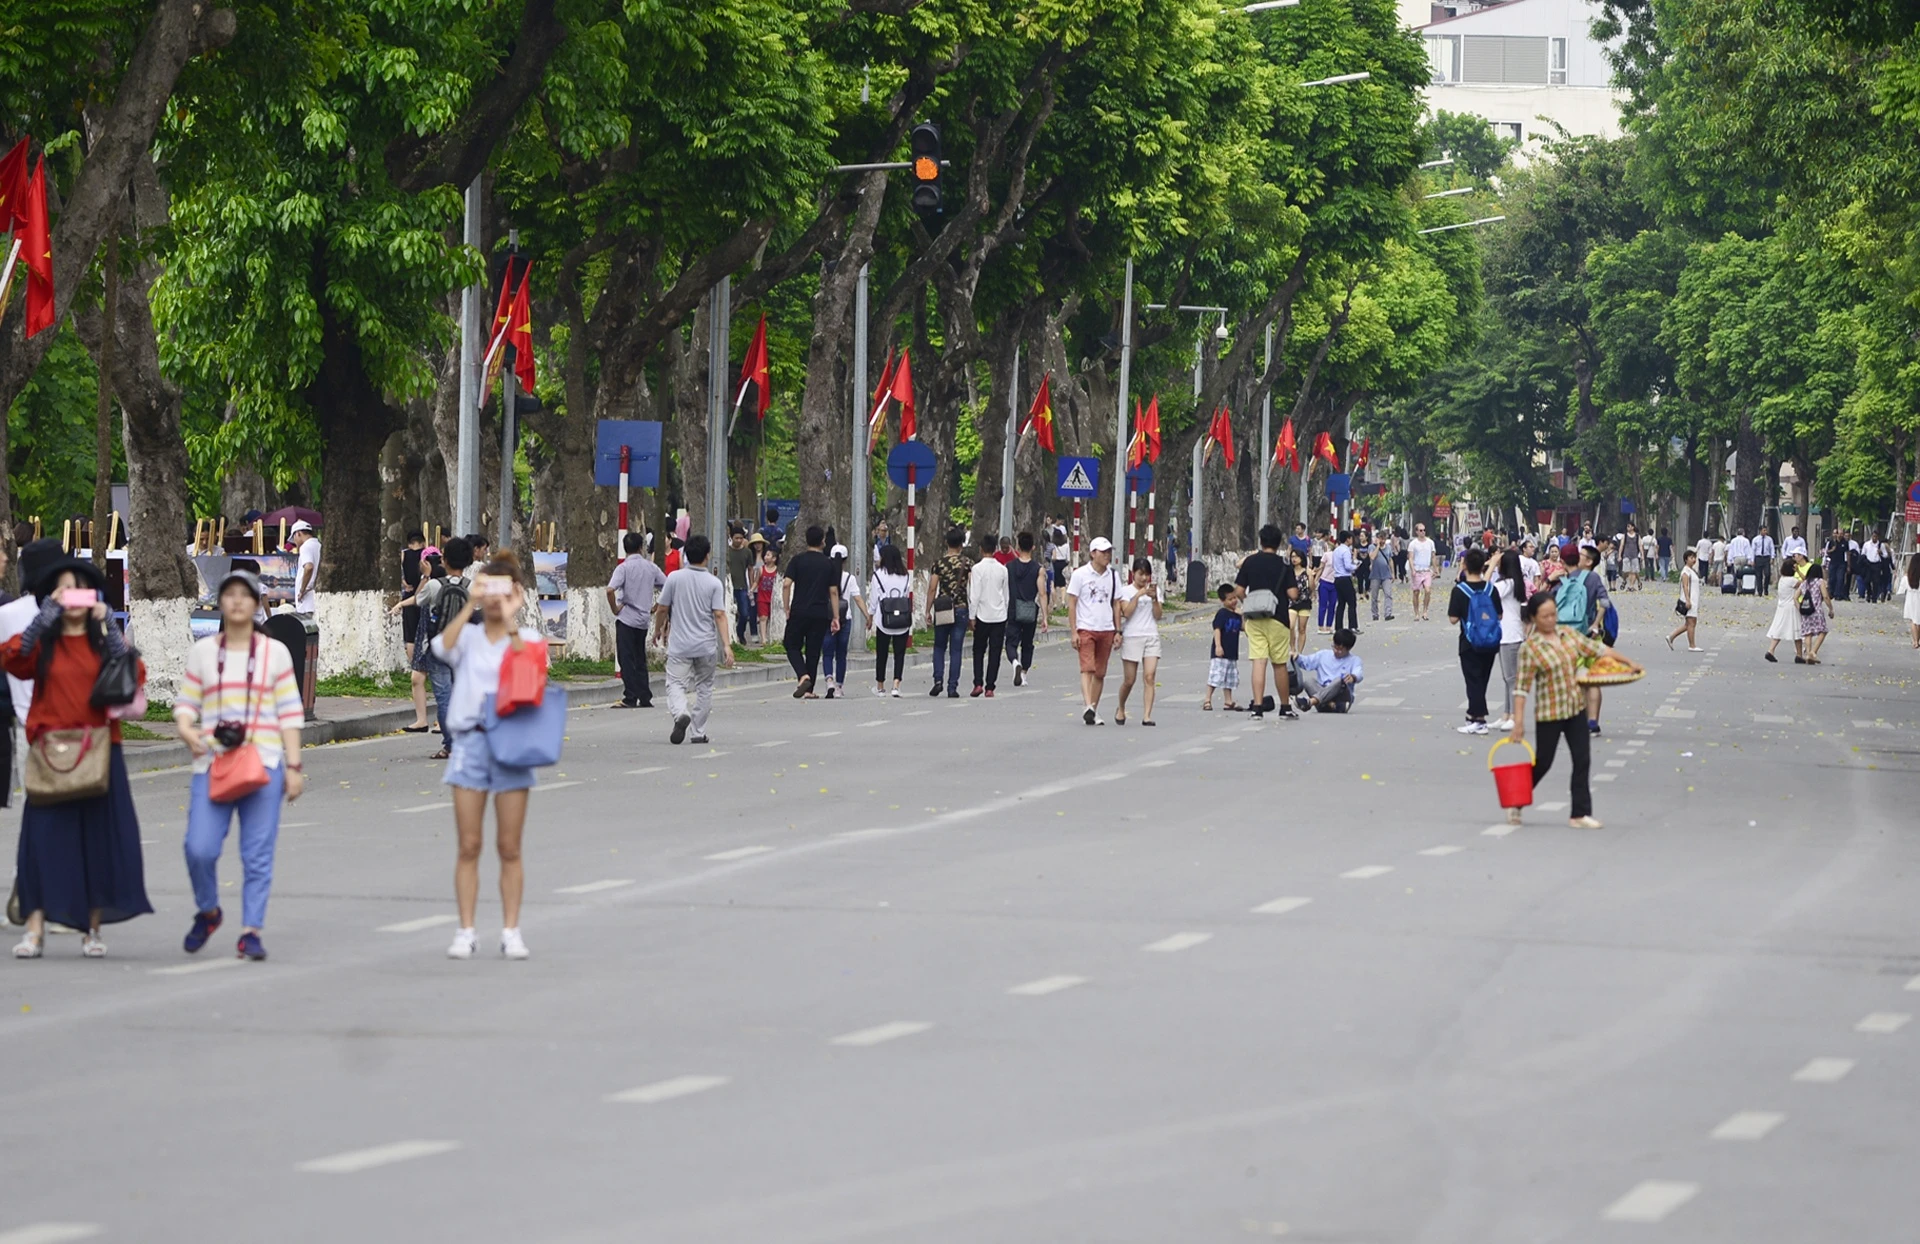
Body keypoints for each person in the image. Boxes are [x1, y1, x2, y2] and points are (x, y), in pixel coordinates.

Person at [5, 553, 151, 958]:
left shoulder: (102, 643)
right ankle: (34, 931)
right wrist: (43, 618)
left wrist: (109, 624)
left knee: (96, 842)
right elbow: (11, 658)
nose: (71, 599)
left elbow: (134, 674)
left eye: (79, 591)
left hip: (101, 752)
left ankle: (92, 930)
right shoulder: (43, 647)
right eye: (62, 591)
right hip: (51, 755)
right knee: (40, 843)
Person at [173, 570, 306, 962]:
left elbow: (290, 713)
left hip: (263, 762)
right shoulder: (202, 652)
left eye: (244, 595)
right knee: (199, 848)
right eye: (228, 594)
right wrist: (186, 730)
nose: (236, 601)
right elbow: (186, 704)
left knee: (257, 853)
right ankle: (209, 910)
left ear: (256, 603)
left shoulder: (275, 653)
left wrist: (294, 766)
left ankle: (251, 931)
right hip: (212, 761)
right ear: (220, 602)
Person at [431, 552, 542, 961]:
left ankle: (511, 929)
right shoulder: (470, 637)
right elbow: (441, 649)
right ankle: (466, 929)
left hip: (512, 744)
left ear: (517, 593)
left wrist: (511, 619)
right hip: (470, 744)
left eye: (503, 588)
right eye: (488, 586)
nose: (495, 596)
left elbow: (530, 676)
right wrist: (471, 604)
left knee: (509, 846)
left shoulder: (527, 640)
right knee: (469, 844)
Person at [1505, 590, 1640, 830]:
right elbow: (1521, 689)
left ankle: (1580, 813)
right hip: (1550, 712)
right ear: (1534, 618)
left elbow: (1600, 650)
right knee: (1543, 763)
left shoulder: (1568, 635)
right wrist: (1518, 721)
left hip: (1575, 707)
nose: (1551, 620)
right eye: (1545, 616)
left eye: (1553, 614)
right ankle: (1516, 801)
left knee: (1582, 759)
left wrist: (1627, 662)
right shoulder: (1530, 649)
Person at [651, 534, 735, 745]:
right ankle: (698, 732)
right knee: (705, 687)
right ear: (707, 556)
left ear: (685, 554)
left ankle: (680, 713)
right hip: (706, 646)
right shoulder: (714, 583)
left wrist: (657, 629)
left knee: (675, 685)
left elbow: (662, 608)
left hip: (680, 645)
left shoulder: (674, 578)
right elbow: (719, 615)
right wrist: (726, 645)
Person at [413, 537, 474, 759]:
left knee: (444, 696)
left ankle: (450, 745)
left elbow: (418, 601)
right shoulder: (472, 586)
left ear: (444, 560)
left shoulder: (434, 585)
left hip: (438, 647)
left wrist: (426, 575)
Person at [1234, 524, 1301, 721]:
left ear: (1261, 542)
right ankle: (1285, 707)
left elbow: (1238, 590)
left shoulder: (1250, 563)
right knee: (1280, 664)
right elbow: (1293, 594)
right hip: (1278, 619)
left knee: (1259, 662)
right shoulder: (1284, 565)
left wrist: (1249, 603)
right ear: (1279, 543)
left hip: (1254, 619)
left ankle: (1257, 707)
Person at [605, 532, 666, 709]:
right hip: (643, 620)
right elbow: (667, 584)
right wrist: (657, 605)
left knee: (626, 659)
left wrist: (615, 609)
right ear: (641, 547)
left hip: (626, 619)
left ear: (625, 549)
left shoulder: (623, 568)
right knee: (640, 658)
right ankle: (645, 696)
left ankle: (630, 696)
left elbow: (610, 590)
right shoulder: (651, 567)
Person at [780, 526, 841, 699]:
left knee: (791, 645)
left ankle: (802, 675)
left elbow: (786, 584)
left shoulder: (797, 561)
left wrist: (786, 607)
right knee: (813, 651)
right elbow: (834, 592)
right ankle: (809, 690)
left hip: (799, 610)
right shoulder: (828, 564)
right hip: (820, 613)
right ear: (822, 541)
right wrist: (836, 616)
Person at [1067, 536, 1121, 725]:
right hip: (1086, 627)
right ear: (1092, 553)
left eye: (1108, 552)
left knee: (1100, 672)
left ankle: (1093, 709)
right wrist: (1074, 631)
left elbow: (1116, 604)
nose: (1106, 556)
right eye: (1103, 552)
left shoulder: (1113, 576)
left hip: (1106, 628)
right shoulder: (1080, 574)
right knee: (1087, 668)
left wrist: (1118, 631)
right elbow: (1072, 604)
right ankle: (1088, 705)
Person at [387, 549, 441, 732]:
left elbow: (419, 598)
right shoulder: (429, 582)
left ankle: (442, 721)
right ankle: (421, 720)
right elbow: (420, 597)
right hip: (425, 632)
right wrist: (425, 577)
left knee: (440, 679)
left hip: (440, 634)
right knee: (417, 677)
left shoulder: (443, 581)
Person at [1448, 548, 1500, 735]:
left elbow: (1453, 618)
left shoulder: (1460, 591)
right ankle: (1472, 714)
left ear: (1465, 566)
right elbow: (1499, 615)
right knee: (1482, 680)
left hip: (1469, 642)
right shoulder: (1490, 589)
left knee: (1473, 681)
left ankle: (1479, 720)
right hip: (1491, 640)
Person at [1113, 557, 1163, 726]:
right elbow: (1126, 612)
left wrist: (1154, 598)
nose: (1143, 578)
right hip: (1132, 636)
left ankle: (1147, 716)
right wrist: (1139, 595)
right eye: (1141, 574)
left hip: (1151, 636)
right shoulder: (1125, 591)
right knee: (1129, 680)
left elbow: (1158, 615)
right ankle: (1121, 707)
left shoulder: (1154, 591)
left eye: (1146, 574)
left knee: (1149, 676)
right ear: (1133, 573)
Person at [929, 529, 972, 699]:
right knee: (956, 650)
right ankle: (952, 687)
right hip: (961, 608)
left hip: (943, 609)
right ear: (962, 544)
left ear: (946, 542)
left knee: (939, 646)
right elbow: (972, 589)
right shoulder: (968, 563)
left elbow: (932, 588)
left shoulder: (939, 563)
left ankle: (938, 680)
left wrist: (927, 609)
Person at [821, 544, 869, 698]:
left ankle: (829, 679)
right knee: (841, 654)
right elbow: (857, 599)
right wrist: (867, 616)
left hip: (828, 618)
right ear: (845, 560)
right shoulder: (850, 578)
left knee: (827, 652)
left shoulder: (825, 575)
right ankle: (839, 686)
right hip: (845, 619)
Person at [967, 534, 1010, 697]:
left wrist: (972, 617)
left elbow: (974, 595)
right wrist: (1005, 612)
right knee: (995, 651)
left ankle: (978, 683)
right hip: (999, 616)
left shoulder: (977, 569)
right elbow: (1006, 595)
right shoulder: (1003, 569)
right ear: (995, 549)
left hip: (982, 615)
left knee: (978, 650)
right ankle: (990, 686)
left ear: (981, 549)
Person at [1489, 547, 1527, 731]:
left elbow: (1485, 588)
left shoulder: (1507, 584)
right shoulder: (1513, 582)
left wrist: (1492, 565)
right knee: (1508, 678)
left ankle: (1514, 715)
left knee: (1511, 678)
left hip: (1510, 635)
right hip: (1509, 633)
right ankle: (1506, 714)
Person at [869, 542, 913, 697]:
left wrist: (870, 616)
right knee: (899, 653)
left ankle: (880, 686)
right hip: (902, 619)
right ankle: (896, 684)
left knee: (882, 653)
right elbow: (907, 595)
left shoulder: (878, 575)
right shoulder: (905, 575)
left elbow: (874, 599)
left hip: (884, 620)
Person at [1006, 531, 1047, 685]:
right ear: (1033, 547)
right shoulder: (1038, 569)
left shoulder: (1008, 567)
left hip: (1013, 609)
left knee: (1011, 642)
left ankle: (1015, 662)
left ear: (1017, 547)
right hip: (1030, 609)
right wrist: (1045, 617)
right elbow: (1042, 594)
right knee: (1027, 643)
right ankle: (1023, 673)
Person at [1294, 629, 1363, 713]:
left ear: (1348, 649)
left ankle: (1310, 702)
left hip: (1341, 695)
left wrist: (1353, 677)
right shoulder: (1323, 655)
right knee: (1309, 681)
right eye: (1335, 647)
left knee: (1339, 680)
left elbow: (1359, 673)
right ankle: (1331, 704)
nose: (1336, 651)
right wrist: (1297, 657)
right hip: (1323, 691)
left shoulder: (1354, 660)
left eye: (1340, 649)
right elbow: (1307, 662)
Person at [1205, 584, 1243, 712]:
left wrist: (1242, 615)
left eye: (1234, 598)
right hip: (1221, 651)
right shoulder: (1222, 613)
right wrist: (1218, 646)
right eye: (1230, 599)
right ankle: (1207, 699)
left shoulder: (1236, 614)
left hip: (1232, 651)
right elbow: (1217, 630)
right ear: (1223, 601)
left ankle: (1228, 701)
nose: (1233, 601)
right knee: (1216, 676)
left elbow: (1243, 627)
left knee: (1229, 678)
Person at [1764, 560, 1804, 663]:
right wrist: (1799, 572)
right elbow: (1805, 582)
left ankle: (1771, 650)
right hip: (1791, 607)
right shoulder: (1792, 580)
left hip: (1782, 606)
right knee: (1797, 630)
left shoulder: (1782, 579)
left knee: (1779, 628)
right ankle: (1799, 654)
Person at [1667, 548, 1702, 651]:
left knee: (1689, 623)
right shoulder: (1686, 572)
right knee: (1691, 622)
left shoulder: (1691, 571)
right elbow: (1685, 586)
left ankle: (1671, 637)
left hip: (1694, 599)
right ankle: (1692, 645)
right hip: (1689, 600)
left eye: (1694, 557)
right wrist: (1687, 600)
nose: (1693, 559)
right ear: (1686, 559)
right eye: (1691, 558)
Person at [725, 528, 756, 646]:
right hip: (729, 586)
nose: (738, 541)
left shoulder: (747, 552)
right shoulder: (727, 551)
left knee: (744, 613)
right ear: (731, 538)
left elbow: (750, 569)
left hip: (742, 586)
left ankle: (740, 632)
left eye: (741, 538)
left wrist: (752, 585)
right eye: (736, 538)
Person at [1800, 558, 1831, 663]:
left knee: (1808, 633)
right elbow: (1825, 596)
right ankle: (1813, 652)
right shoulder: (1820, 582)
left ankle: (1808, 653)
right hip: (1816, 610)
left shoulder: (1804, 583)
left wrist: (1799, 607)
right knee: (1823, 631)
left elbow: (1795, 597)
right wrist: (1831, 609)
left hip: (1805, 610)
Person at [401, 530, 426, 658]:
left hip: (409, 595)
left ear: (409, 543)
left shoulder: (404, 555)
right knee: (424, 631)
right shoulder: (426, 555)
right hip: (425, 595)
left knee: (410, 634)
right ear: (423, 542)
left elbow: (396, 572)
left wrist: (404, 583)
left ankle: (412, 663)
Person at [1329, 529, 1359, 633]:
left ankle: (1338, 627)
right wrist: (1355, 566)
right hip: (1345, 578)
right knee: (1352, 602)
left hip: (1337, 578)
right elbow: (1347, 566)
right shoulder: (1346, 550)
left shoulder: (1336, 550)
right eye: (1351, 538)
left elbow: (1334, 564)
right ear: (1348, 539)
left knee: (1341, 603)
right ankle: (1352, 626)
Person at [290, 520, 320, 616]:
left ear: (298, 534)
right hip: (316, 598)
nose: (294, 542)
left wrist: (302, 590)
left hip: (307, 601)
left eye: (294, 538)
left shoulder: (305, 547)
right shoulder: (319, 545)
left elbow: (309, 567)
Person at [1407, 523, 1437, 620]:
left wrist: (1436, 569)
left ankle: (1425, 611)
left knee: (1428, 591)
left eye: (1424, 530)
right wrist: (1413, 569)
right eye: (1420, 530)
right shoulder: (1413, 544)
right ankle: (1416, 613)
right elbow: (1410, 558)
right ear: (1416, 532)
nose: (1423, 532)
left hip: (1427, 570)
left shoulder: (1430, 542)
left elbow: (1433, 556)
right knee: (1416, 592)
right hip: (1417, 570)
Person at [1368, 532, 1395, 621]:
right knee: (1374, 596)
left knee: (1388, 594)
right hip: (1375, 574)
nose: (1382, 540)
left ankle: (1388, 613)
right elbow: (1372, 557)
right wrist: (1378, 546)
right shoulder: (1372, 547)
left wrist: (1393, 573)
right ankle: (1375, 614)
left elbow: (1390, 560)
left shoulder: (1388, 548)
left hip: (1386, 574)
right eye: (1380, 538)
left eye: (1383, 538)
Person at [754, 546, 778, 644]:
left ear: (774, 558)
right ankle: (763, 638)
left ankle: (772, 636)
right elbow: (756, 582)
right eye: (766, 555)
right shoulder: (761, 569)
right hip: (762, 597)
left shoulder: (778, 571)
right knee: (763, 618)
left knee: (772, 618)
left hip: (773, 598)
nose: (766, 557)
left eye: (768, 555)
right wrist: (751, 589)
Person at [1898, 552, 1920, 648]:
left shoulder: (1907, 577)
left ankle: (1915, 641)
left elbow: (1901, 590)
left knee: (1913, 620)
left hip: (1911, 599)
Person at [1727, 527, 1753, 592]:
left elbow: (1731, 551)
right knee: (1744, 572)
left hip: (1736, 558)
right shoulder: (1746, 540)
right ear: (1743, 533)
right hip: (1744, 557)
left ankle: (1739, 588)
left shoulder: (1733, 541)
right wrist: (1750, 560)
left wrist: (1729, 560)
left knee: (1737, 573)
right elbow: (1748, 551)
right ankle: (1745, 586)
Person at [1753, 527, 1776, 594]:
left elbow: (1772, 548)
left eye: (1766, 530)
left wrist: (1772, 558)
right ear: (1760, 531)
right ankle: (1760, 590)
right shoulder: (1756, 539)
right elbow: (1753, 550)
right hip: (1758, 557)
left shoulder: (1769, 539)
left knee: (1767, 574)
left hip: (1766, 558)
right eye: (1764, 530)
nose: (1765, 532)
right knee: (1758, 575)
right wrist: (1752, 559)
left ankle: (1765, 588)